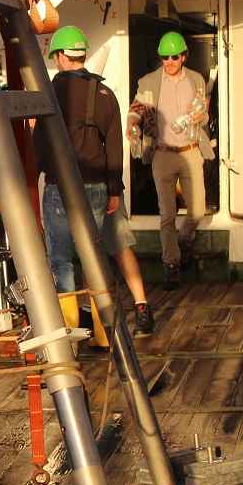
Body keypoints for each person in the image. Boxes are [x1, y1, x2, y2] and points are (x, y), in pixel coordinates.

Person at [36, 25, 154, 337]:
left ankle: (69, 339)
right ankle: (104, 336)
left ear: (61, 56)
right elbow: (115, 148)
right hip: (100, 189)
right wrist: (114, 191)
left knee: (61, 260)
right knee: (94, 256)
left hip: (61, 189)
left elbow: (40, 143)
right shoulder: (106, 95)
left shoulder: (52, 92)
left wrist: (34, 178)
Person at [126, 31, 213, 291]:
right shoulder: (150, 81)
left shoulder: (196, 78)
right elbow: (136, 109)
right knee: (167, 214)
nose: (170, 61)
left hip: (190, 150)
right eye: (165, 56)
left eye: (175, 56)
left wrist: (201, 118)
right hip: (162, 153)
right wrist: (132, 125)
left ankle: (183, 240)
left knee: (197, 211)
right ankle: (171, 266)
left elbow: (205, 113)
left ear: (184, 56)